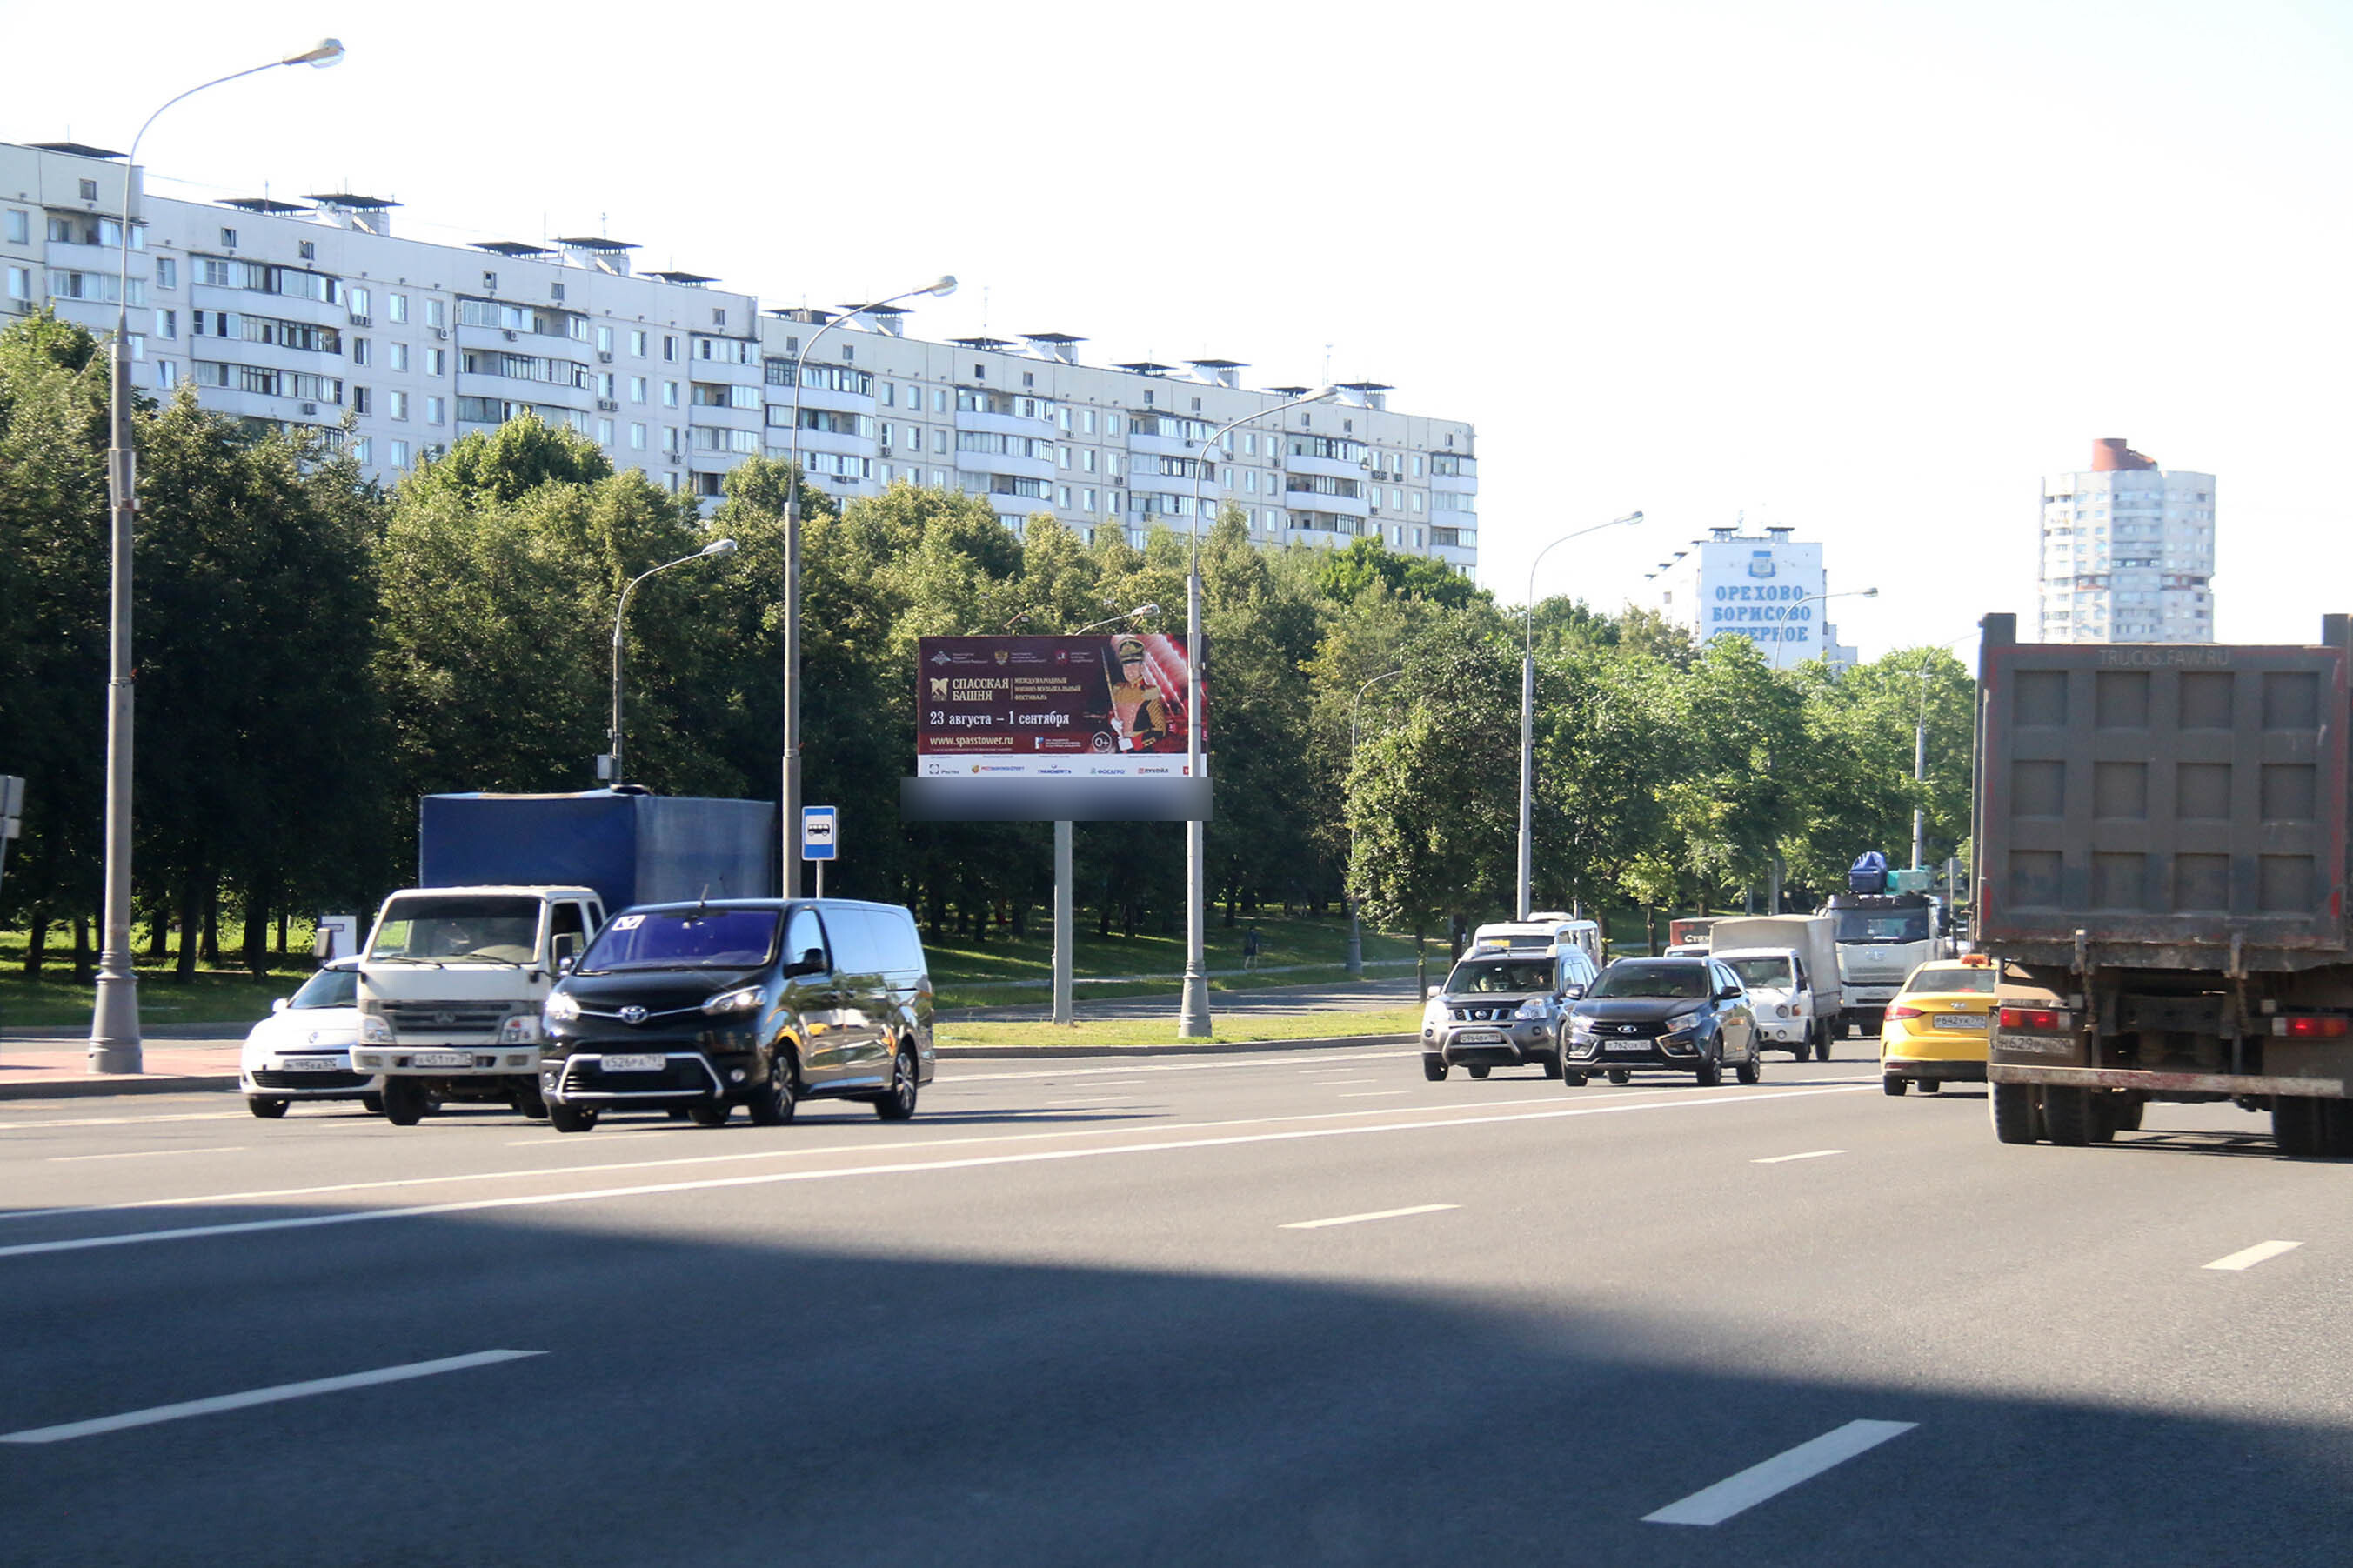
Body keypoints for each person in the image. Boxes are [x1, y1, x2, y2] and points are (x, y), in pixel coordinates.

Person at [1107, 635, 1173, 751]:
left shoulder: (1150, 692)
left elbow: (1160, 730)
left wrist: (1132, 743)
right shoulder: (1118, 689)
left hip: (1141, 750)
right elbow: (1114, 712)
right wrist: (1112, 719)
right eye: (1126, 666)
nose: (1129, 671)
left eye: (1133, 665)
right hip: (1120, 748)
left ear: (1141, 667)